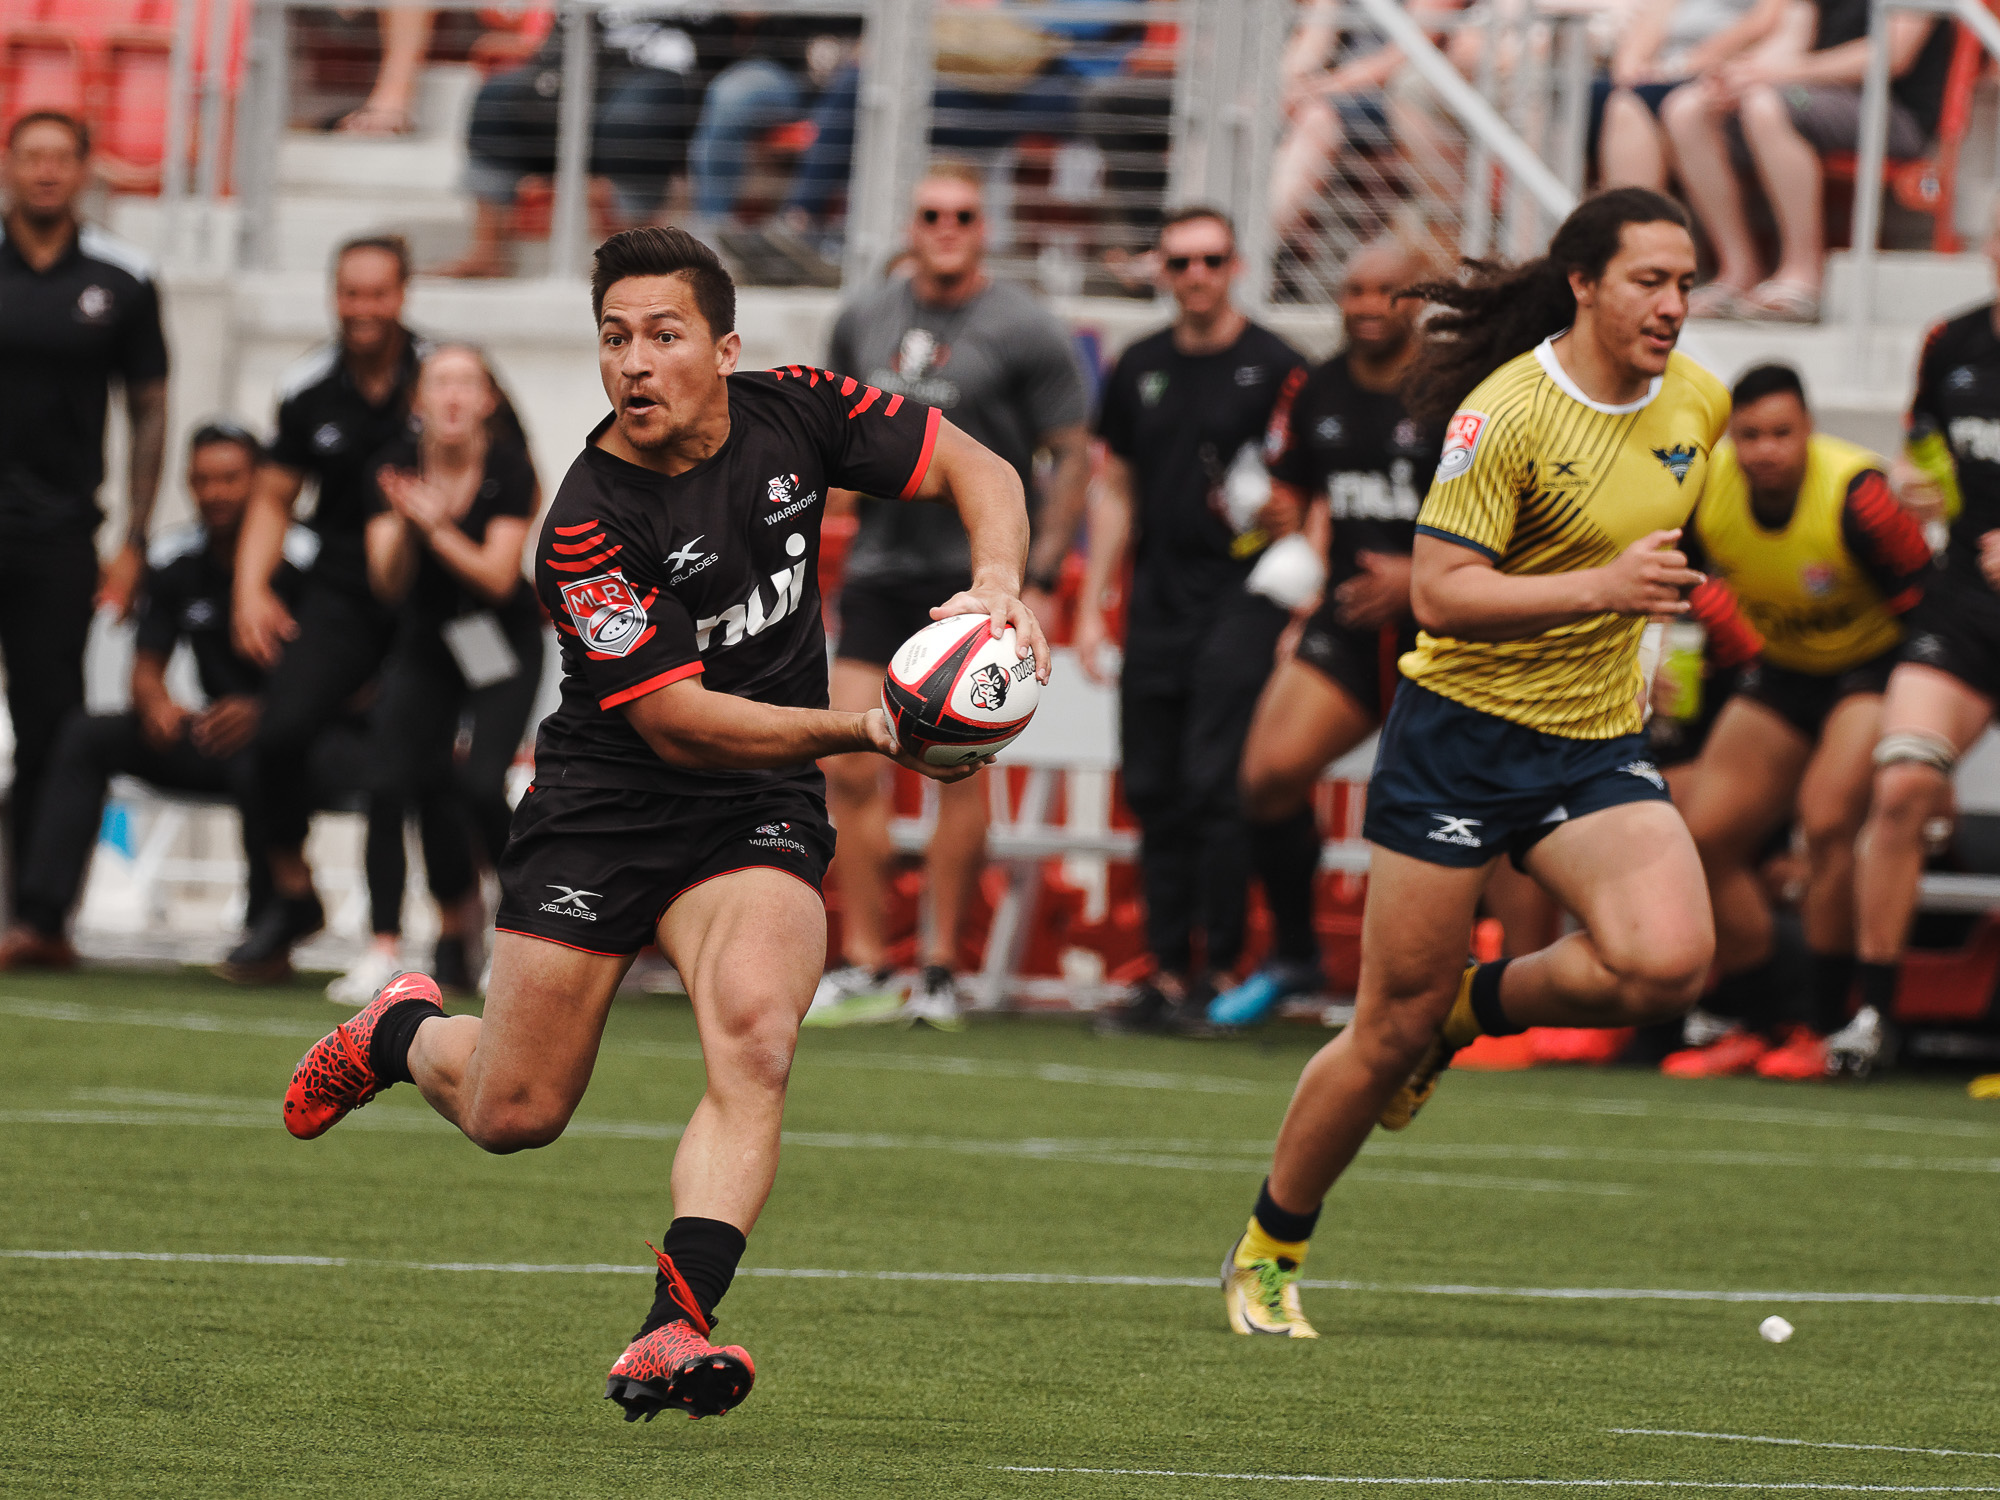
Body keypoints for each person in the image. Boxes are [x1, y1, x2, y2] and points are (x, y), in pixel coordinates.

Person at [281, 227, 1047, 1422]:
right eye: (613, 338)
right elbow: (683, 723)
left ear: (724, 348)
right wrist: (864, 731)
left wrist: (997, 584)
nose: (633, 362)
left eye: (663, 334)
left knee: (756, 1037)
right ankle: (398, 1034)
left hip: (756, 808)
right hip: (608, 803)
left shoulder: (795, 409)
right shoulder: (588, 525)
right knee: (512, 1113)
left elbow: (981, 467)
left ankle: (672, 1326)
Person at [1218, 188, 1729, 1338]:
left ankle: (1471, 1010)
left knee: (1667, 964)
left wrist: (1657, 632)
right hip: (1457, 741)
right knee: (1380, 1029)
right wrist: (1603, 590)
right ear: (1583, 284)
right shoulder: (1503, 416)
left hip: (1590, 741)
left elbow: (1666, 547)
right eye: (1648, 279)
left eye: (1686, 282)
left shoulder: (1699, 399)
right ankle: (1268, 1247)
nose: (1672, 304)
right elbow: (1441, 593)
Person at [809, 162, 1091, 1028]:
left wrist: (1034, 570)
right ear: (911, 221)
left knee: (957, 771)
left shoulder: (1027, 327)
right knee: (844, 761)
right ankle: (863, 962)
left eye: (963, 214)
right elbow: (833, 434)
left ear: (984, 225)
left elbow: (1072, 451)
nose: (946, 227)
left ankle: (936, 970)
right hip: (881, 570)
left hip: (976, 576)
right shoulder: (864, 315)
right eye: (930, 212)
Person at [1076, 208, 1309, 1034]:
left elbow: (1312, 486)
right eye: (1180, 262)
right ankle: (1170, 971)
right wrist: (1095, 603)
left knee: (1216, 786)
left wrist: (1298, 578)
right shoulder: (1139, 365)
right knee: (1153, 787)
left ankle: (1224, 971)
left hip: (1244, 598)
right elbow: (1117, 488)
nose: (1197, 275)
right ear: (1160, 270)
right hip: (1156, 601)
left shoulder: (1278, 364)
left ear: (1235, 265)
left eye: (1211, 259)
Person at [1666, 365, 1930, 1080]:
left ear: (1808, 431)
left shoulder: (1858, 495)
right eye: (1749, 435)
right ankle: (1753, 1017)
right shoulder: (1700, 485)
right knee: (1703, 835)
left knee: (1825, 822)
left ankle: (1827, 1024)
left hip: (1872, 666)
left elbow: (1925, 606)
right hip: (1781, 672)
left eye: (1781, 433)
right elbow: (1665, 575)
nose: (1765, 450)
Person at [1205, 236, 1437, 1027]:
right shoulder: (1319, 386)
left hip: (1446, 632)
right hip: (1345, 621)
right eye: (1354, 290)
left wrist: (1419, 580)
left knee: (1458, 802)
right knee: (1267, 776)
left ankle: (1467, 967)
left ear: (1419, 300)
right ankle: (1296, 955)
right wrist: (1279, 519)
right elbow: (1294, 491)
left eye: (1386, 291)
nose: (1367, 306)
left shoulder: (1458, 392)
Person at [227, 235, 433, 984]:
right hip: (342, 589)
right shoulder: (307, 384)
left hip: (429, 594)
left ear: (402, 295)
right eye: (351, 294)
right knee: (275, 732)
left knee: (412, 756)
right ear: (333, 295)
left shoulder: (441, 374)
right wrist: (250, 588)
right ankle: (290, 892)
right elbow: (274, 496)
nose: (363, 309)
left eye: (378, 293)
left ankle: (446, 928)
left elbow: (504, 472)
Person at [0, 425, 271, 968]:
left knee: (272, 757)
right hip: (211, 733)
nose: (215, 493)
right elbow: (147, 663)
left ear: (260, 482)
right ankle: (43, 922)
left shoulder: (303, 555)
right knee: (84, 734)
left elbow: (347, 673)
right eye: (202, 480)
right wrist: (155, 703)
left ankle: (269, 930)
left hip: (286, 735)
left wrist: (269, 711)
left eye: (230, 479)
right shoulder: (177, 558)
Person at [0, 111, 169, 918]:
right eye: (30, 156)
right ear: (8, 164)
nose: (43, 172)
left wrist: (134, 539)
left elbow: (149, 412)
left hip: (61, 537)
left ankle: (38, 915)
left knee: (49, 724)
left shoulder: (124, 276)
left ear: (84, 168)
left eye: (59, 158)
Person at [1848, 208, 2000, 1079]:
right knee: (1902, 783)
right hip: (1966, 608)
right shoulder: (1952, 343)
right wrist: (1916, 481)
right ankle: (1873, 1015)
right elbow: (1922, 445)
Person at [354, 345, 547, 997]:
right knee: (393, 778)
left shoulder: (512, 468)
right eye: (441, 383)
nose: (455, 397)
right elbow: (386, 583)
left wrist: (435, 527)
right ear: (419, 400)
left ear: (489, 400)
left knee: (480, 783)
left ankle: (519, 929)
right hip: (429, 639)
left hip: (503, 639)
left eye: (469, 383)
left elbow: (497, 578)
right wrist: (409, 529)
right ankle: (388, 943)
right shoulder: (392, 467)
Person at [1661, 0, 1953, 322]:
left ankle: (1803, 272)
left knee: (1767, 104)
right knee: (1688, 109)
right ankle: (1738, 270)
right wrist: (1741, 75)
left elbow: (1891, 56)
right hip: (1810, 92)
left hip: (1892, 110)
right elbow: (1791, 38)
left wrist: (1780, 73)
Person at [1593, 0, 1793, 192]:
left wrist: (1678, 67)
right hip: (1659, 70)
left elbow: (1761, 23)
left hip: (1711, 69)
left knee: (1627, 104)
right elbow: (1651, 21)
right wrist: (1630, 65)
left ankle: (1633, 218)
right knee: (1589, 96)